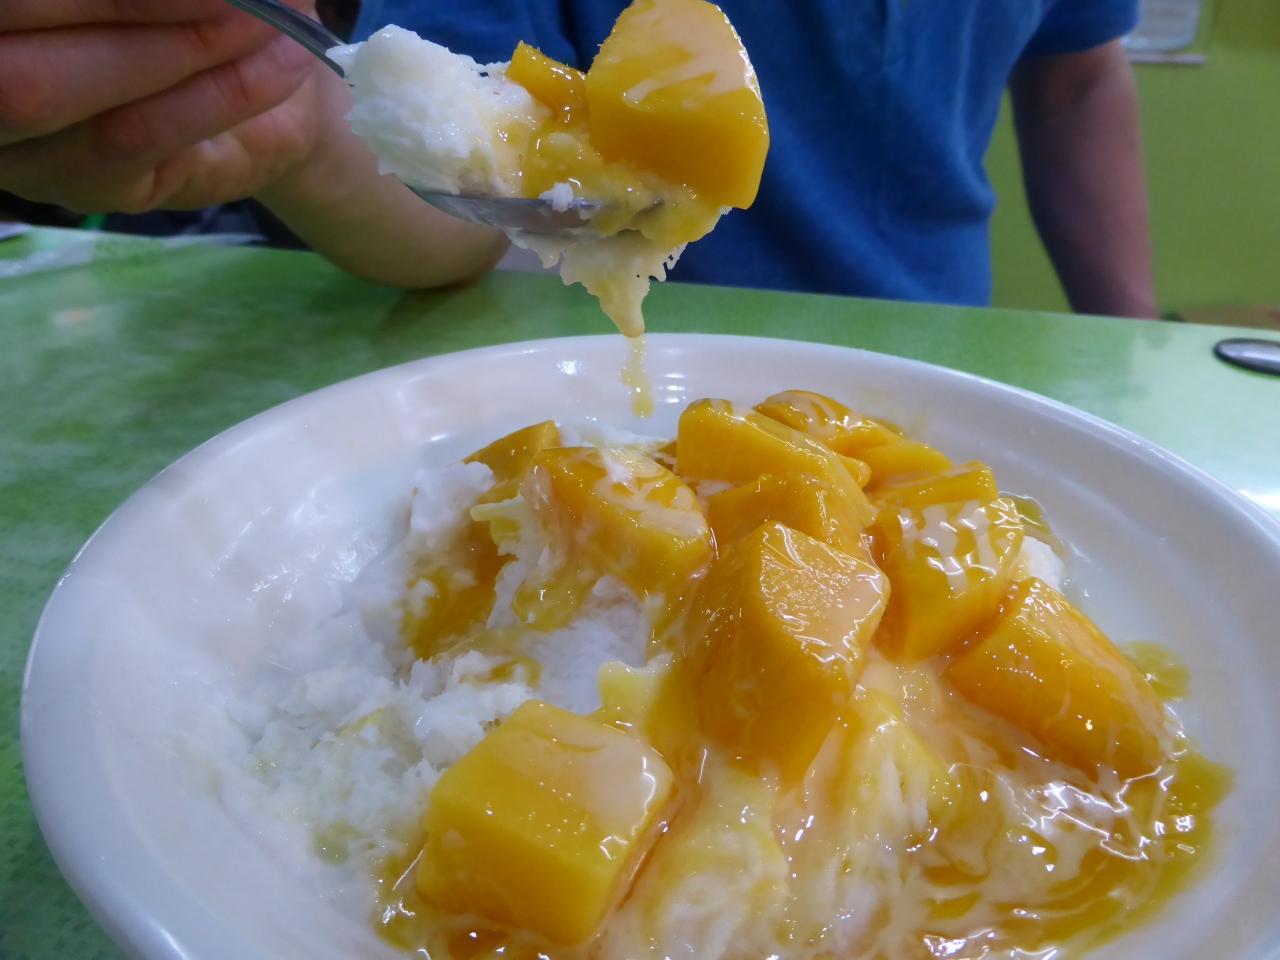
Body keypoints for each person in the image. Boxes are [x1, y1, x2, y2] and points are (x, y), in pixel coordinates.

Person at [0, 1, 1156, 317]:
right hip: (593, 375)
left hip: (943, 338)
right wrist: (293, 132)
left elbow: (1076, 75)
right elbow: (468, 180)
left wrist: (1134, 340)